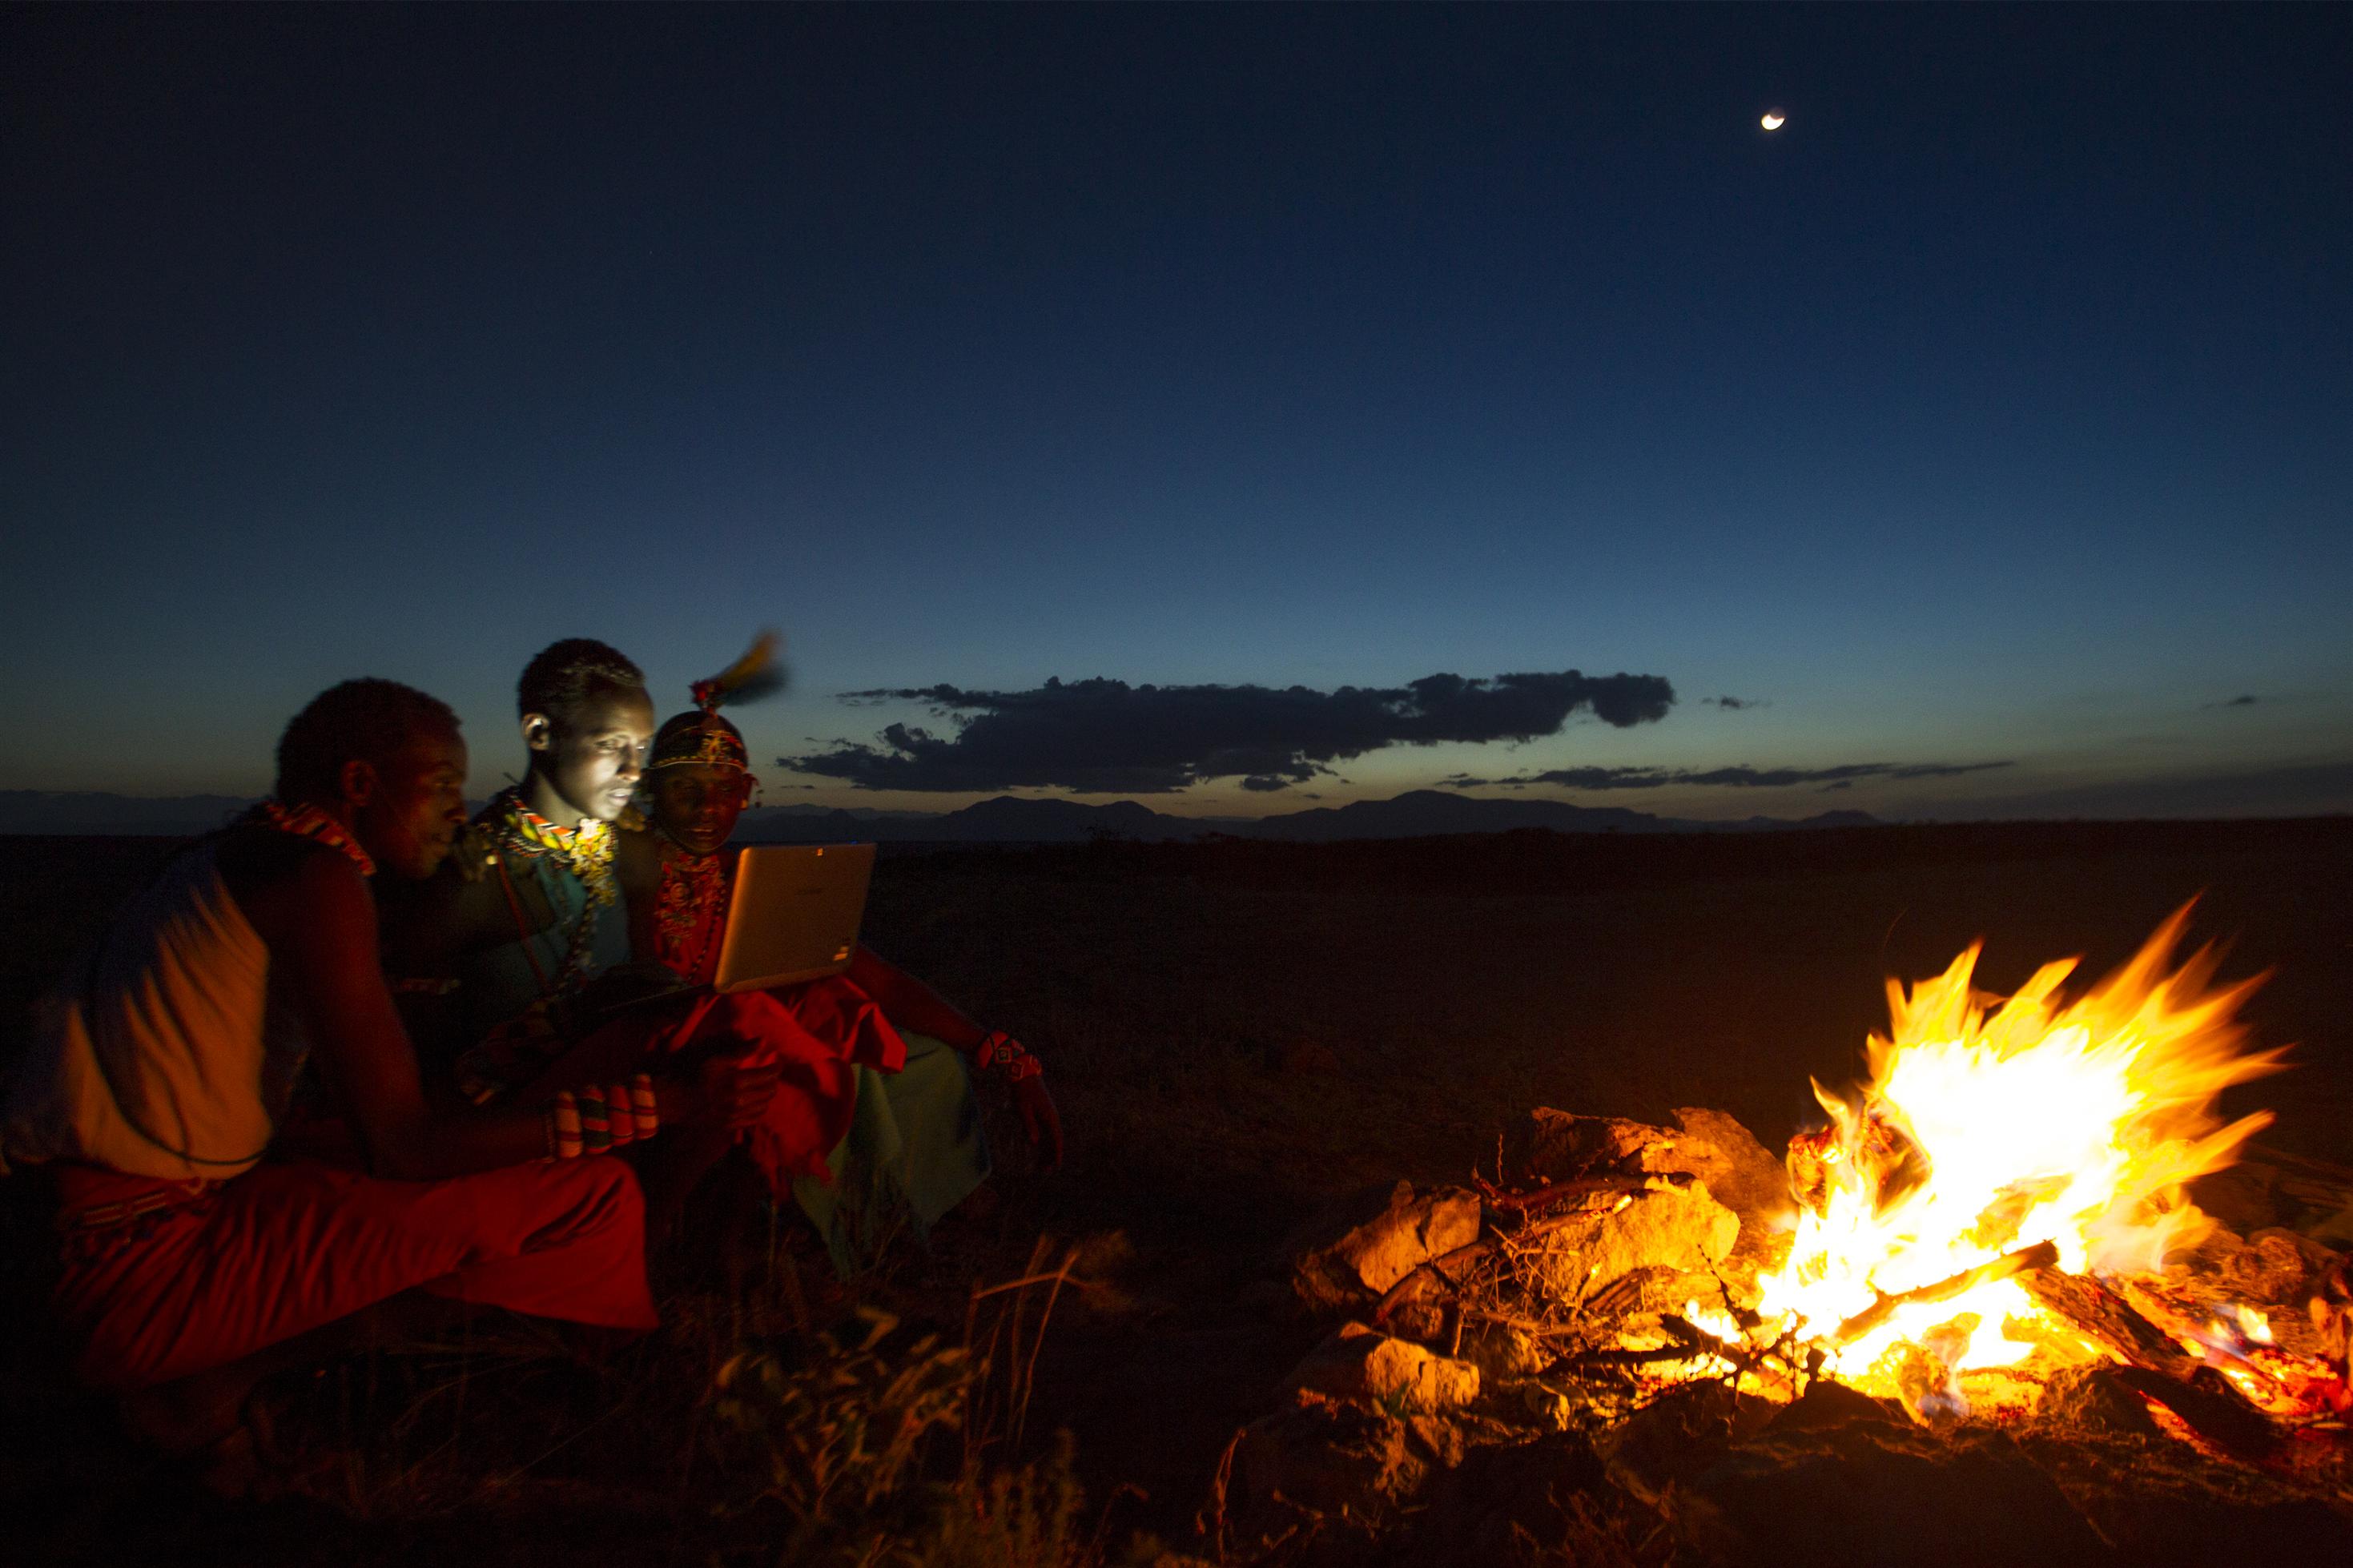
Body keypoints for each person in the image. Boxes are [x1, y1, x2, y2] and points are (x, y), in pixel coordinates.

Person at [0, 679, 775, 1489]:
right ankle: (221, 1377)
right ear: (360, 784)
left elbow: (360, 1094)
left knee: (503, 1159)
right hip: (131, 1263)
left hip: (96, 1217)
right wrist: (667, 1104)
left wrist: (551, 1038)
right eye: (440, 785)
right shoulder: (315, 879)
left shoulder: (241, 856)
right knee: (592, 1203)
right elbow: (402, 1142)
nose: (456, 809)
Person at [617, 661, 1061, 1272]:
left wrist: (1008, 1056)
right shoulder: (628, 868)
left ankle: (900, 1206)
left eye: (725, 789)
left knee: (917, 1053)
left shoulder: (752, 880)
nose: (706, 807)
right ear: (649, 790)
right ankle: (688, 1241)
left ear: (747, 794)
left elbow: (874, 978)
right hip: (647, 1053)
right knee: (782, 1054)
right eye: (684, 788)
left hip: (741, 1048)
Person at [380, 638, 801, 1247]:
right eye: (613, 747)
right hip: (505, 1114)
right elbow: (415, 1079)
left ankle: (658, 1232)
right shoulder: (464, 876)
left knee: (738, 1041)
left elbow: (641, 975)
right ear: (540, 733)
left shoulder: (631, 853)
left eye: (639, 749)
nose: (634, 771)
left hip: (612, 1080)